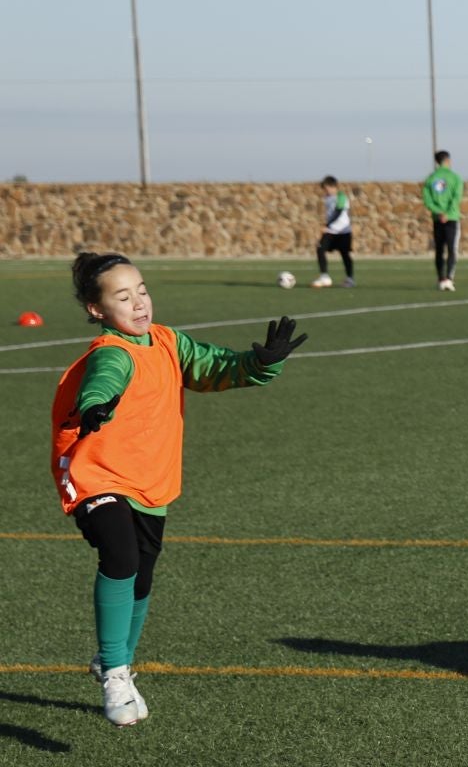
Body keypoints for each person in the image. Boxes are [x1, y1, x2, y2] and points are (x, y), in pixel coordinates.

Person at [49, 252, 306, 726]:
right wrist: (96, 404)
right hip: (94, 473)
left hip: (149, 480)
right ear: (97, 310)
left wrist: (259, 362)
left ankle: (116, 658)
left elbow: (214, 367)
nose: (139, 302)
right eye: (122, 297)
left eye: (141, 290)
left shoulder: (168, 341)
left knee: (142, 576)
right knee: (121, 555)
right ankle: (116, 674)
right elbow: (103, 380)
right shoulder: (112, 351)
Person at [422, 150, 464, 291]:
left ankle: (441, 279)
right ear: (448, 161)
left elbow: (427, 200)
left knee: (439, 249)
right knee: (452, 249)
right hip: (451, 218)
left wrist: (438, 212)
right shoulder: (455, 178)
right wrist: (447, 213)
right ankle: (449, 279)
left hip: (437, 218)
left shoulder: (430, 179)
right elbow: (456, 198)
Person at [313, 176, 354, 287]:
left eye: (327, 188)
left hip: (343, 231)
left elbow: (338, 212)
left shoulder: (341, 197)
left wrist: (327, 225)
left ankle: (349, 279)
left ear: (333, 187)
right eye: (324, 189)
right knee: (320, 248)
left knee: (345, 254)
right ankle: (324, 276)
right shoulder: (327, 198)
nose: (326, 191)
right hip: (331, 232)